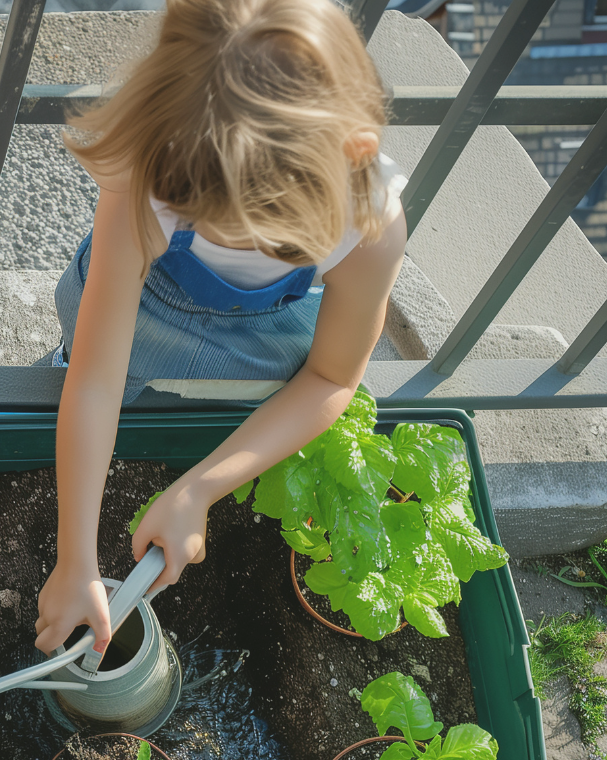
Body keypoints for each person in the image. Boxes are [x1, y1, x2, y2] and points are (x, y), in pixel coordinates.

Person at [34, 0, 407, 657]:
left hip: (264, 337)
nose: (224, 242)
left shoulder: (370, 224)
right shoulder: (157, 165)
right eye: (197, 222)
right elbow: (96, 380)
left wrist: (199, 488)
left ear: (351, 157)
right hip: (141, 310)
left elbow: (329, 374)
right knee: (75, 382)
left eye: (281, 248)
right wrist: (76, 561)